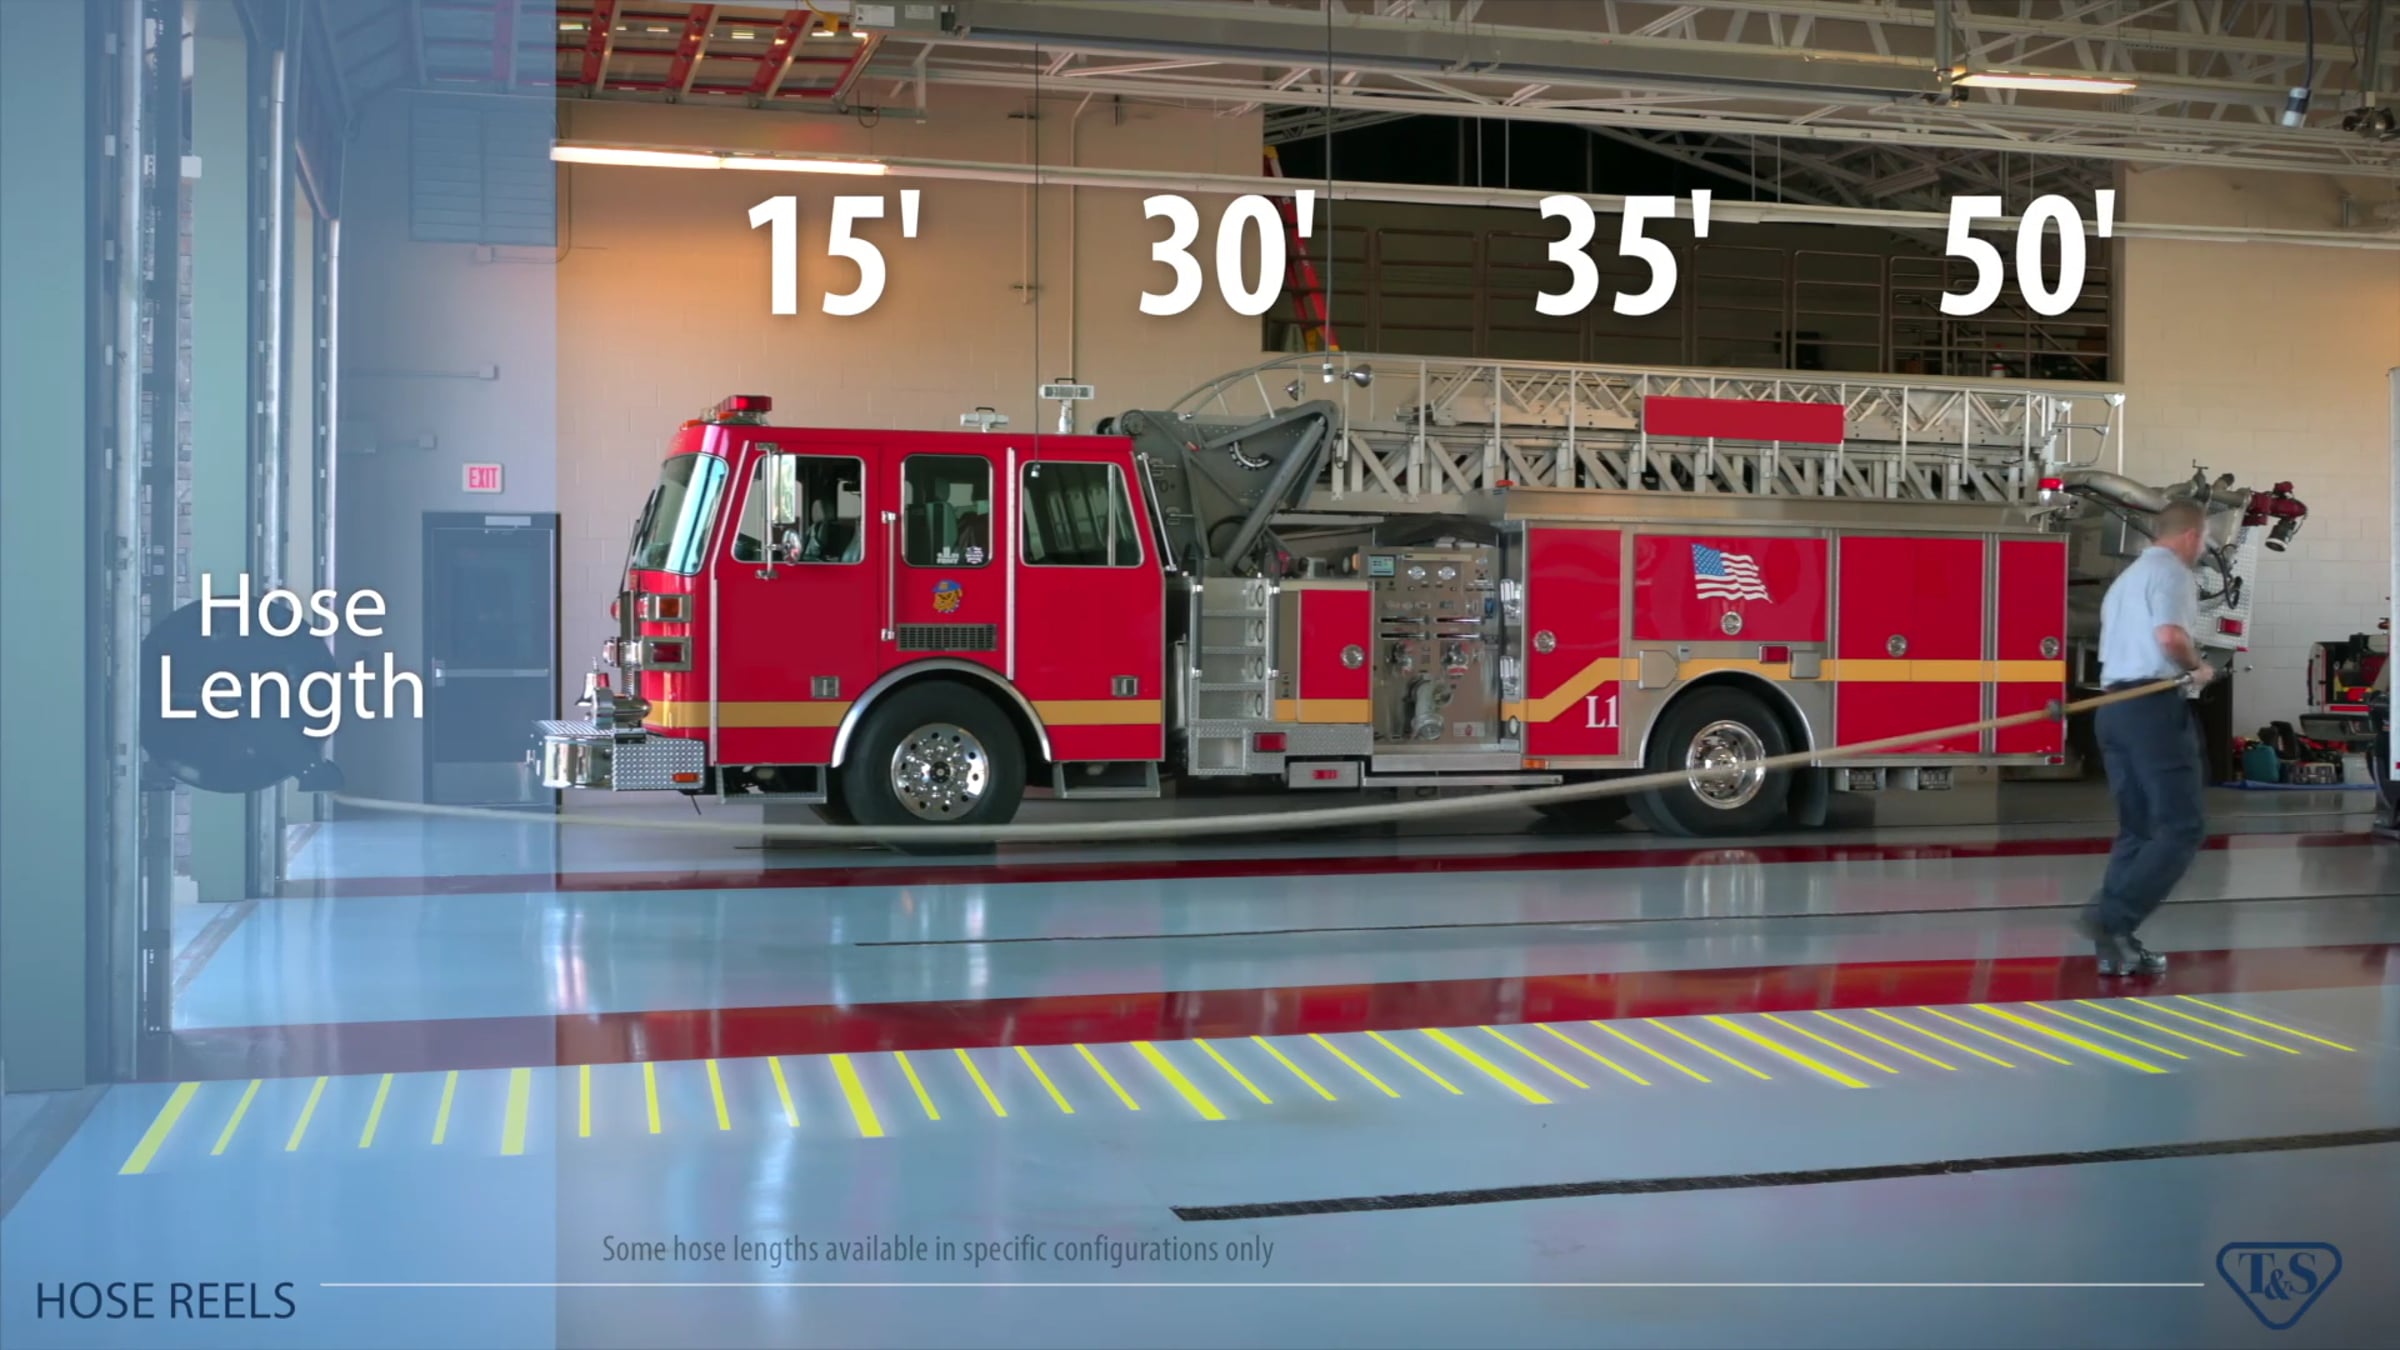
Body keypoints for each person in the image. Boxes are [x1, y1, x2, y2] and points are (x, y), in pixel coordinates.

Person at [2079, 499, 2214, 978]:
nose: (2203, 549)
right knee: (2181, 827)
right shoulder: (2173, 572)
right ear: (2192, 536)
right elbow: (2170, 637)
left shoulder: (2127, 579)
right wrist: (2198, 668)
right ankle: (2111, 918)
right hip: (2151, 708)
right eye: (2204, 540)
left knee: (2138, 829)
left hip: (2113, 708)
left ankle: (2115, 945)